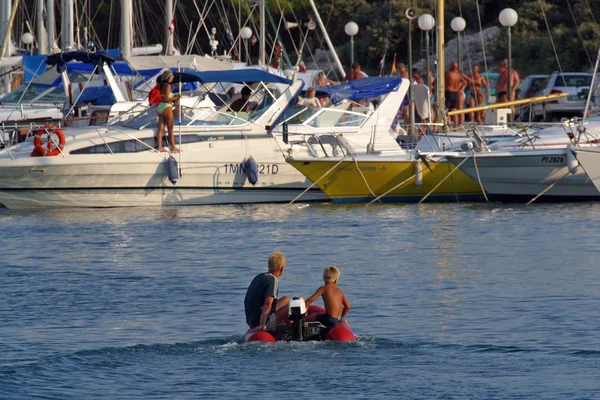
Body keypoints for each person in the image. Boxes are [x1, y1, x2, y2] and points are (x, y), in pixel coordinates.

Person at [244, 251, 291, 332]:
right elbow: (267, 303)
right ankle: (289, 327)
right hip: (261, 321)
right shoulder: (273, 280)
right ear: (281, 268)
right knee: (291, 306)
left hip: (252, 320)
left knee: (286, 299)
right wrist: (262, 325)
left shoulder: (260, 276)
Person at [156, 71, 181, 153]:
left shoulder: (162, 85)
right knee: (170, 129)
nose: (173, 77)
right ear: (168, 77)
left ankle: (159, 147)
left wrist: (173, 97)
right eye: (172, 76)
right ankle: (173, 147)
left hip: (161, 107)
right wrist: (177, 97)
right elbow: (166, 99)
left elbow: (164, 97)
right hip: (167, 107)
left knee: (161, 128)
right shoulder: (167, 86)